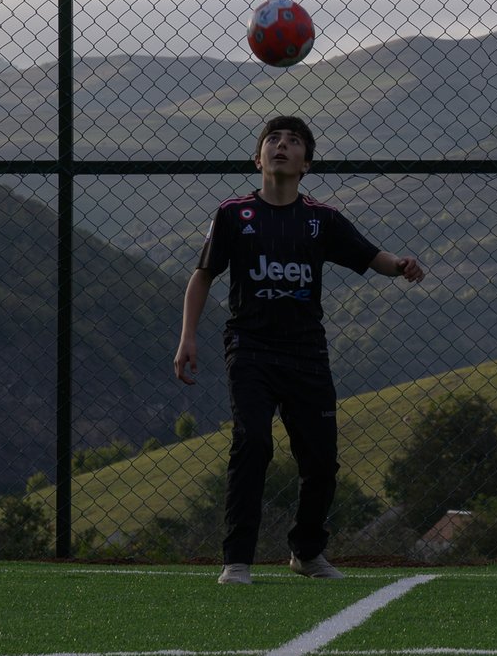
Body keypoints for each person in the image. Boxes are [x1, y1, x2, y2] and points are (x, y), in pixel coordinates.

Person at [174, 116, 425, 584]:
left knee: (321, 460)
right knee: (252, 442)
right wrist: (187, 337)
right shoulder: (232, 214)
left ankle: (306, 553)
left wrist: (401, 265)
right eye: (273, 140)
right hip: (249, 348)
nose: (282, 146)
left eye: (293, 142)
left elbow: (372, 256)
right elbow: (203, 275)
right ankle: (238, 560)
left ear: (306, 164)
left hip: (306, 354)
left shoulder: (321, 220)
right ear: (258, 159)